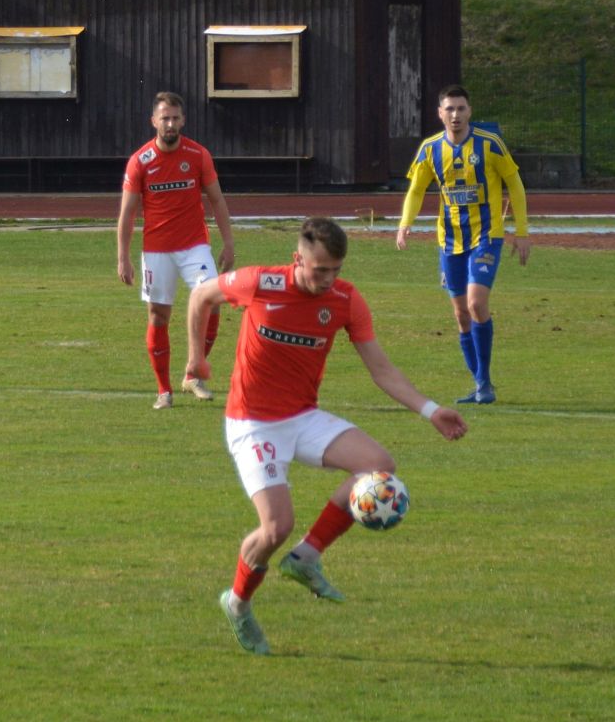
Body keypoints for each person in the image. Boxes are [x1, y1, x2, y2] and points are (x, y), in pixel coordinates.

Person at [186, 217, 468, 655]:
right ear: (297, 260)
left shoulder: (345, 299)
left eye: (335, 269)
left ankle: (306, 557)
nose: (328, 279)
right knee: (276, 527)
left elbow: (381, 369)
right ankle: (238, 604)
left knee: (378, 467)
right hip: (252, 422)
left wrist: (430, 410)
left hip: (302, 416)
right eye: (320, 270)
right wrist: (197, 358)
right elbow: (201, 296)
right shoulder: (260, 282)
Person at [395, 84, 531, 405]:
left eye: (461, 108)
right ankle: (481, 382)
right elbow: (416, 190)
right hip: (450, 240)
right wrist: (405, 223)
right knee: (460, 314)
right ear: (440, 114)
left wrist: (522, 231)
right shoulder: (430, 149)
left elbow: (515, 183)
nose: (455, 114)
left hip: (487, 236)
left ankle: (484, 383)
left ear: (470, 112)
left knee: (476, 303)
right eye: (449, 109)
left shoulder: (489, 144)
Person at [117, 91, 236, 409]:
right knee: (159, 315)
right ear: (153, 121)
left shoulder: (198, 155)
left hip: (195, 246)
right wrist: (123, 257)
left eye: (175, 118)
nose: (170, 124)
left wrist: (228, 242)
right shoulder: (140, 161)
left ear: (183, 121)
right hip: (157, 250)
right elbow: (127, 213)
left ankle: (193, 375)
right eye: (164, 118)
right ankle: (164, 390)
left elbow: (217, 200)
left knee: (212, 302)